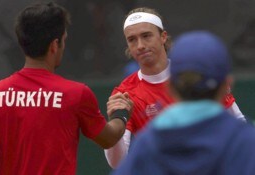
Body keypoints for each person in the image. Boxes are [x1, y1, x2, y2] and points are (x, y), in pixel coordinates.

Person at [0, 2, 133, 175]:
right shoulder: (77, 94)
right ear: (54, 45)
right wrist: (121, 114)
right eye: (63, 41)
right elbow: (108, 138)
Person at [105, 7, 246, 168]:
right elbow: (117, 163)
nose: (140, 45)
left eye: (146, 36)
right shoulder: (125, 94)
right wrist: (114, 126)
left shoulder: (197, 74)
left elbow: (238, 122)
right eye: (132, 40)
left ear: (163, 37)